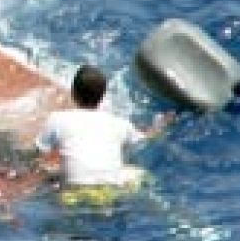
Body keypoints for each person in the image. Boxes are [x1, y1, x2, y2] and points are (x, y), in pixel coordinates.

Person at [36, 65, 167, 193]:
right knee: (138, 173)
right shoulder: (120, 123)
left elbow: (38, 152)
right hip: (112, 188)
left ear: (73, 92)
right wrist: (160, 125)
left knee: (50, 172)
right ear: (103, 95)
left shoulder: (57, 119)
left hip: (74, 190)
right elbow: (145, 138)